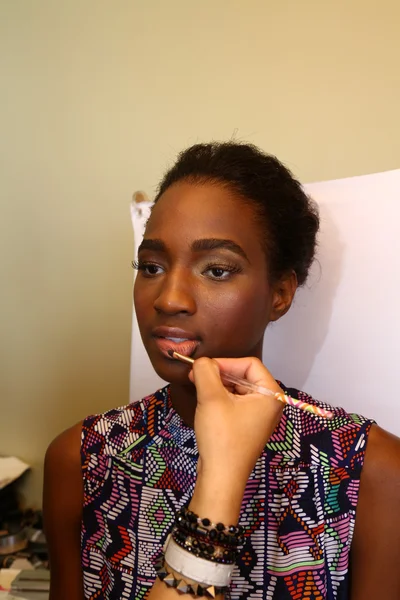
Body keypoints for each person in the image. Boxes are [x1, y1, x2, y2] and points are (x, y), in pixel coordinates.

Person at [43, 142, 400, 600]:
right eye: (150, 265)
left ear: (280, 294)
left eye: (215, 270)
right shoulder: (80, 460)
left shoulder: (374, 475)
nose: (168, 298)